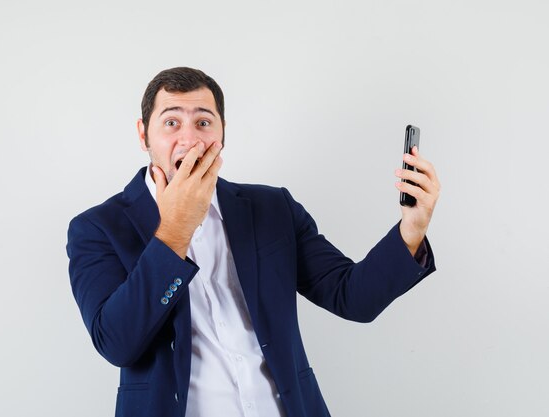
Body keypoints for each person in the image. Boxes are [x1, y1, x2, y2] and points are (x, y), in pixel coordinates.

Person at [66, 67, 440, 417]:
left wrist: (412, 229)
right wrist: (175, 232)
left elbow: (352, 297)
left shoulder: (272, 208)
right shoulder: (96, 229)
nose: (190, 138)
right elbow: (117, 343)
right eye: (171, 122)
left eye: (203, 122)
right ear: (143, 134)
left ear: (222, 133)